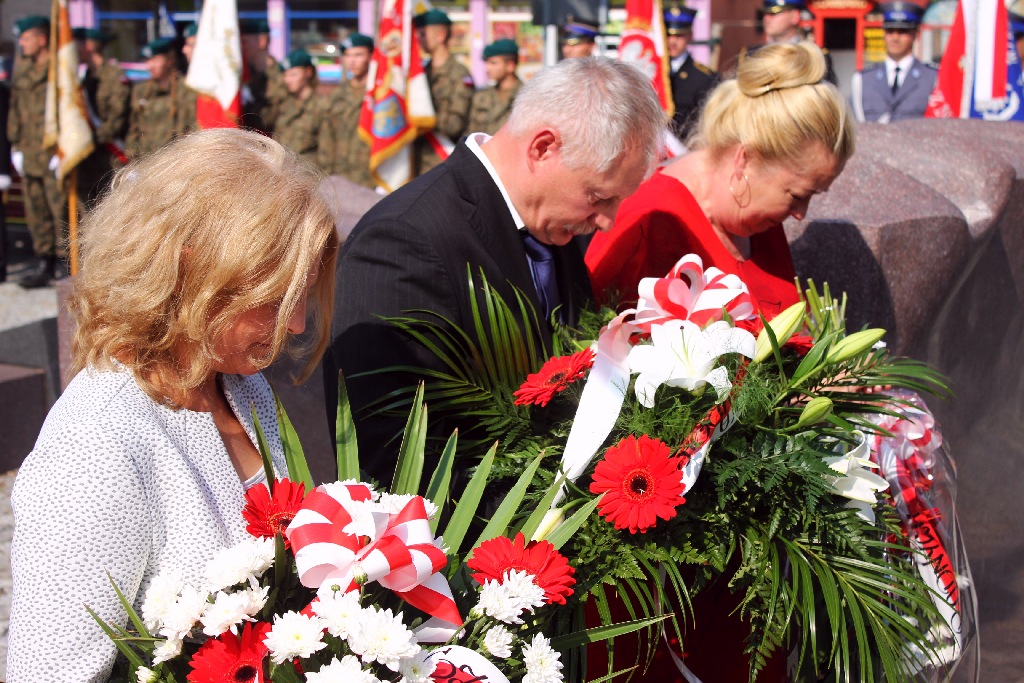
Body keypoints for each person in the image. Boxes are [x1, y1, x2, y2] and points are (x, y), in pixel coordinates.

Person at [7, 128, 339, 682]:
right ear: (191, 272)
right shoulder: (96, 445)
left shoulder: (235, 383)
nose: (298, 323)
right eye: (275, 298)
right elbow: (48, 671)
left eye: (302, 294)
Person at [585, 41, 855, 682]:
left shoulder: (755, 218)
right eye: (797, 195)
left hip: (740, 545)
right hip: (662, 554)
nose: (801, 215)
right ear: (744, 159)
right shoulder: (652, 223)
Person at [326, 56, 664, 478]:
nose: (607, 221)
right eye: (598, 197)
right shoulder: (403, 241)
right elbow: (394, 459)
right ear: (543, 148)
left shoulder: (552, 222)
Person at [8, 15, 68, 289]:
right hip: (30, 151)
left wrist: (63, 146)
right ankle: (43, 259)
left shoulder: (58, 69)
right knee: (36, 209)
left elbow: (68, 108)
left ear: (42, 39)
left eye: (26, 38)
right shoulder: (23, 70)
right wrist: (15, 144)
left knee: (59, 209)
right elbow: (16, 108)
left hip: (52, 151)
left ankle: (63, 261)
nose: (22, 44)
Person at [72, 27, 130, 208]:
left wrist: (92, 138)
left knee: (111, 209)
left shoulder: (113, 75)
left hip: (109, 156)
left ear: (88, 46)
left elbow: (117, 118)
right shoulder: (85, 77)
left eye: (75, 45)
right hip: (90, 158)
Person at [851, 2, 937, 123]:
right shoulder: (863, 79)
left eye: (902, 31)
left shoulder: (932, 79)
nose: (895, 38)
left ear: (915, 34)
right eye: (890, 31)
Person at [413, 8, 475, 175]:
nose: (419, 40)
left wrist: (419, 119)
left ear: (440, 35)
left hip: (443, 163)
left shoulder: (459, 74)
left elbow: (454, 125)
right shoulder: (421, 74)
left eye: (423, 34)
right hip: (419, 160)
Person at [319, 33, 375, 188]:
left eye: (358, 55)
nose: (352, 61)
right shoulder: (338, 95)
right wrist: (326, 174)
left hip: (370, 178)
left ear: (371, 56)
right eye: (348, 55)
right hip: (342, 176)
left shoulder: (378, 94)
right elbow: (327, 138)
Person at [126, 38, 197, 160]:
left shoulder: (185, 89)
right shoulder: (142, 91)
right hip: (146, 161)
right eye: (148, 60)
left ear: (169, 60)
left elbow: (191, 128)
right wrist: (132, 157)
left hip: (174, 161)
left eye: (155, 60)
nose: (150, 66)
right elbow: (134, 128)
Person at [745, 0, 837, 84]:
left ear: (795, 16)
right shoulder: (750, 54)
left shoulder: (814, 56)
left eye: (774, 13)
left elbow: (826, 95)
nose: (767, 19)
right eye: (765, 14)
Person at [663, 5, 717, 141]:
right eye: (668, 35)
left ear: (690, 35)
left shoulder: (704, 78)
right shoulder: (653, 71)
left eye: (679, 35)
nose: (672, 41)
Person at [274, 48, 328, 165]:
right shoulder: (284, 104)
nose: (288, 80)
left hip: (310, 172)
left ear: (308, 72)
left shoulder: (322, 105)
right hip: (283, 171)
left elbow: (326, 149)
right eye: (286, 76)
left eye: (293, 75)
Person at [239, 18, 286, 133]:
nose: (241, 48)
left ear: (262, 41)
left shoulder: (282, 77)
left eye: (245, 42)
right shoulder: (242, 77)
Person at [468, 38, 523, 136]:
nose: (487, 68)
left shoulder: (527, 96)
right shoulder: (482, 96)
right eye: (487, 63)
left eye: (493, 63)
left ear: (510, 66)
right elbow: (471, 134)